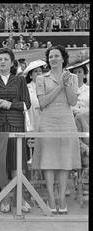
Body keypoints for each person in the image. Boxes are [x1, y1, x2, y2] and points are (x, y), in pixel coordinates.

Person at [32, 45, 81, 215]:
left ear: (63, 58)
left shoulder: (73, 77)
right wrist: (60, 85)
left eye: (56, 56)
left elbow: (73, 101)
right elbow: (43, 103)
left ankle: (62, 198)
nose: (53, 59)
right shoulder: (41, 79)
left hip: (67, 121)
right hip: (48, 122)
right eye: (50, 56)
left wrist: (66, 83)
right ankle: (51, 198)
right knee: (48, 161)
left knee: (64, 160)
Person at [0, 48, 32, 213]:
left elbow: (27, 104)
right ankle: (5, 198)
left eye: (6, 59)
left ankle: (19, 198)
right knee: (2, 163)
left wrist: (11, 104)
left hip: (16, 124)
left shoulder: (20, 81)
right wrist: (1, 104)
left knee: (17, 163)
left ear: (12, 62)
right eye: (0, 59)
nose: (3, 62)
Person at [23, 60, 47, 131]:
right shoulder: (26, 88)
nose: (38, 73)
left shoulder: (47, 87)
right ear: (30, 75)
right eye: (36, 71)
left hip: (45, 123)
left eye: (40, 71)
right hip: (32, 122)